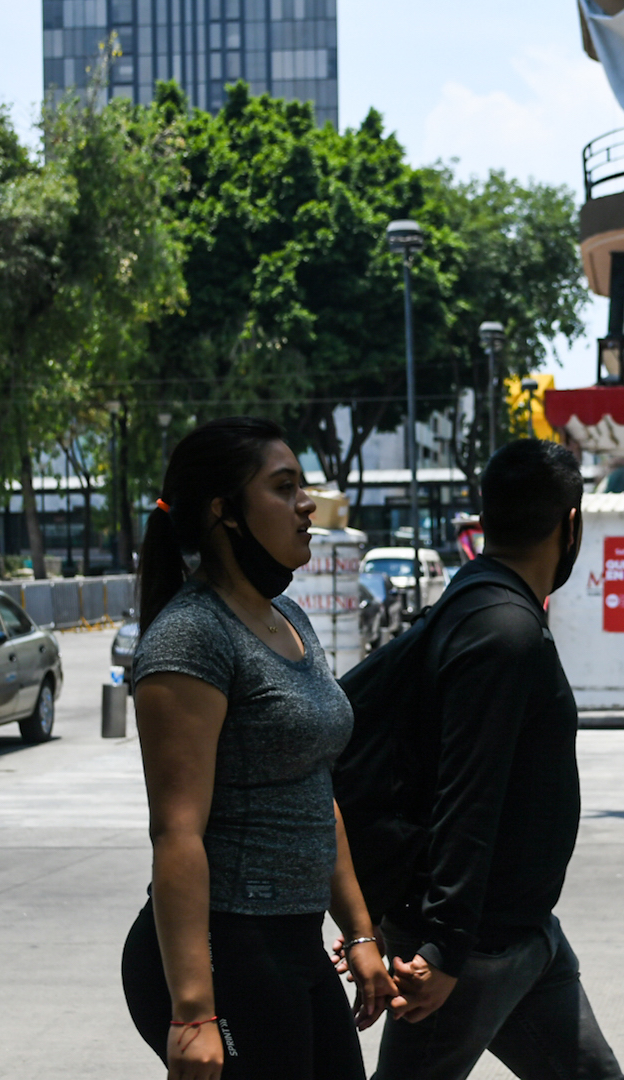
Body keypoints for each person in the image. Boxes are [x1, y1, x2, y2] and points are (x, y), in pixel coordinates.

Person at [120, 416, 396, 1080]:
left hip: (291, 939)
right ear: (226, 513)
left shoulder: (289, 620)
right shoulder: (192, 638)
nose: (307, 503)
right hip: (225, 944)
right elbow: (176, 831)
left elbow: (314, 788)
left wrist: (359, 931)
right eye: (283, 486)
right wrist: (193, 1011)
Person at [357, 438, 624, 1080]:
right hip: (472, 946)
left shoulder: (472, 600)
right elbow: (468, 794)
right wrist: (445, 949)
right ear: (571, 525)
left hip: (523, 932)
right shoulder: (504, 633)